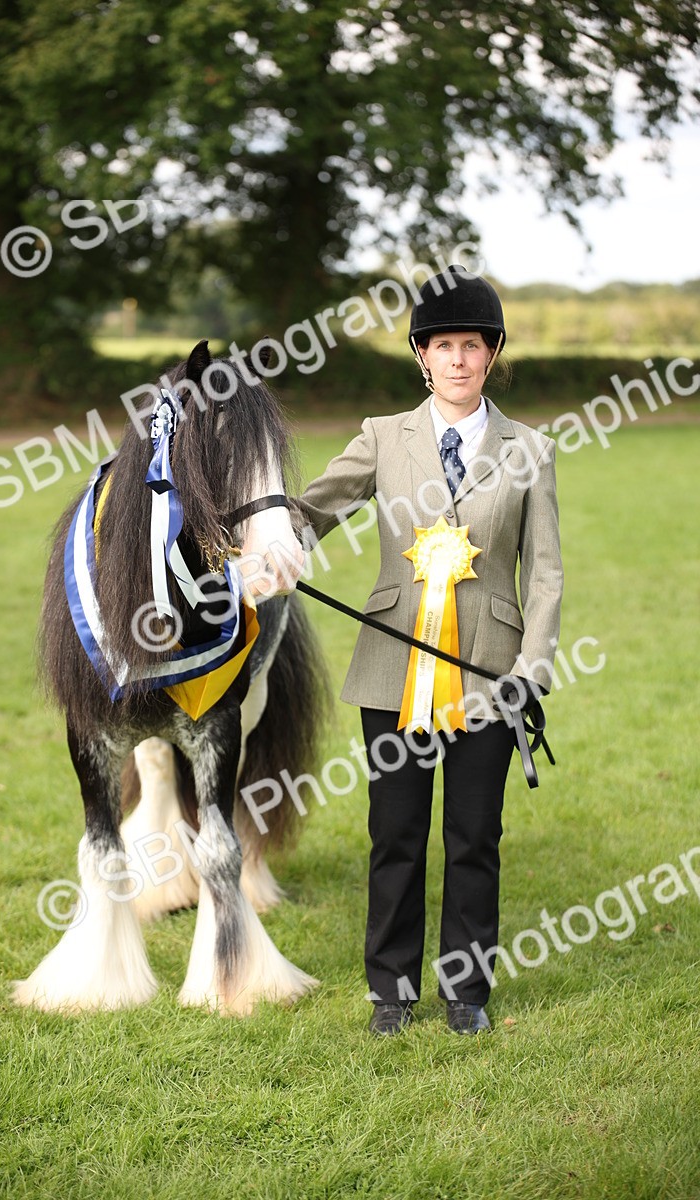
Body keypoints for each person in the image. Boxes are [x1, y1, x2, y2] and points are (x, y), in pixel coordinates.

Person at [299, 264, 563, 1036]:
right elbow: (317, 508)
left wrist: (530, 669)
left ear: (492, 355)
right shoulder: (384, 437)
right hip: (393, 669)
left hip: (490, 674)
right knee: (397, 833)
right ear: (421, 355)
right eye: (442, 345)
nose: (457, 359)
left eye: (472, 346)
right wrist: (261, 534)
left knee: (475, 837)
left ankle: (466, 992)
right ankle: (392, 989)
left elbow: (544, 572)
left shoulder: (531, 449)